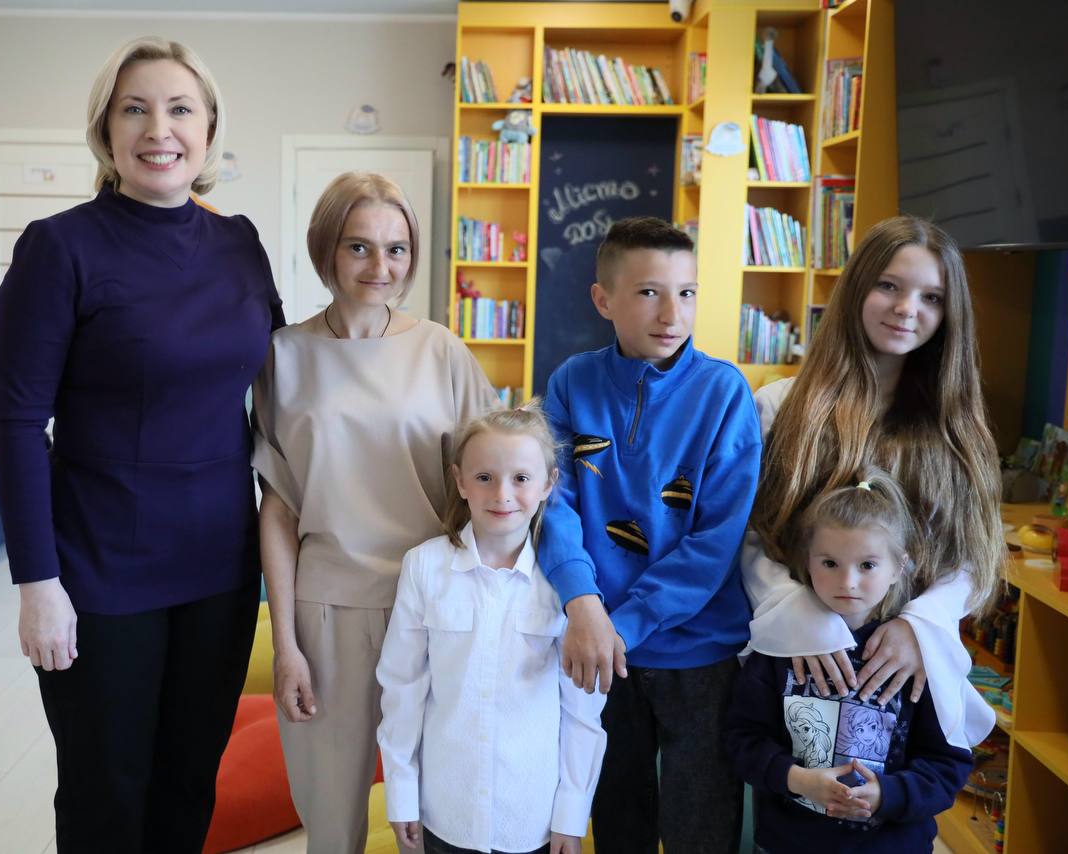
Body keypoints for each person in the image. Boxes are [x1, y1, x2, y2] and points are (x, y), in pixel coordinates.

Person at [0, 37, 284, 853]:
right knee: (106, 795)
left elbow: (289, 379)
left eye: (180, 108)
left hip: (221, 568)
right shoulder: (59, 246)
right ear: (106, 130)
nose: (160, 129)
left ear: (208, 128)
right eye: (135, 109)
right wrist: (36, 584)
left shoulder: (240, 244)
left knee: (189, 785)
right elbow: (16, 424)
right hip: (99, 568)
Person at [251, 171, 500, 853]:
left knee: (438, 817)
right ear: (326, 248)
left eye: (396, 249)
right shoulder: (283, 355)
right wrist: (286, 645)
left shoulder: (443, 351)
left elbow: (494, 489)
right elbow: (278, 510)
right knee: (331, 820)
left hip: (436, 605)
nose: (379, 266)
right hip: (326, 610)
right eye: (358, 246)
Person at [537, 216, 762, 852]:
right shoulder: (571, 382)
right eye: (648, 292)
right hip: (600, 650)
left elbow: (717, 539)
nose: (672, 313)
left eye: (686, 293)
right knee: (617, 821)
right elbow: (555, 505)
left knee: (700, 829)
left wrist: (622, 626)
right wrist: (583, 605)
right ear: (603, 299)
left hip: (699, 653)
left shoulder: (724, 392)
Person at [744, 216, 1003, 751]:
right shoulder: (779, 406)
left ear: (949, 313)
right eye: (889, 285)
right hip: (797, 663)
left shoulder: (957, 427)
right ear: (857, 288)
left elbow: (973, 557)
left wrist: (919, 626)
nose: (907, 308)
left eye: (931, 297)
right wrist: (798, 616)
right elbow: (749, 537)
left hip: (904, 675)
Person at [376, 405, 606, 854]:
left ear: (548, 484)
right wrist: (401, 793)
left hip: (530, 819)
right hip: (446, 812)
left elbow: (582, 712)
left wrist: (571, 815)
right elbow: (402, 688)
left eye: (521, 478)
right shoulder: (423, 567)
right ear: (460, 481)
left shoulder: (569, 587)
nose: (502, 494)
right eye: (484, 477)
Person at [725, 470, 973, 853]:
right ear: (807, 562)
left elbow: (948, 765)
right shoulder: (775, 649)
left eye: (867, 565)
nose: (848, 582)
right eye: (830, 563)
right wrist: (797, 780)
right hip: (789, 843)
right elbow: (742, 740)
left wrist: (887, 794)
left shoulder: (920, 659)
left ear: (899, 567)